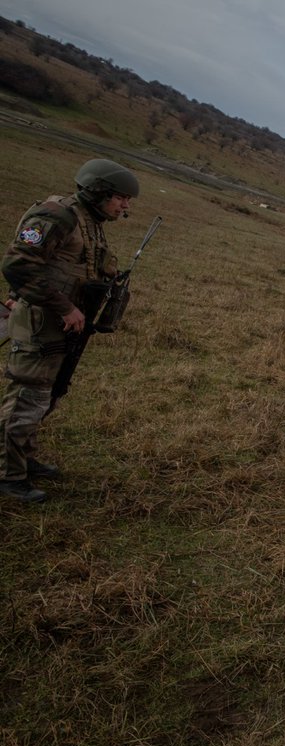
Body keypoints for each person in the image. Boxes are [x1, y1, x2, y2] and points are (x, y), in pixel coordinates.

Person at [0, 158, 139, 503]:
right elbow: (17, 265)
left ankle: (24, 459)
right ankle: (7, 474)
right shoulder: (57, 216)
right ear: (98, 191)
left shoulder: (88, 221)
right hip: (41, 321)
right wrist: (66, 306)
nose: (125, 206)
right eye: (121, 198)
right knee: (26, 397)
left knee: (46, 393)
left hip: (62, 325)